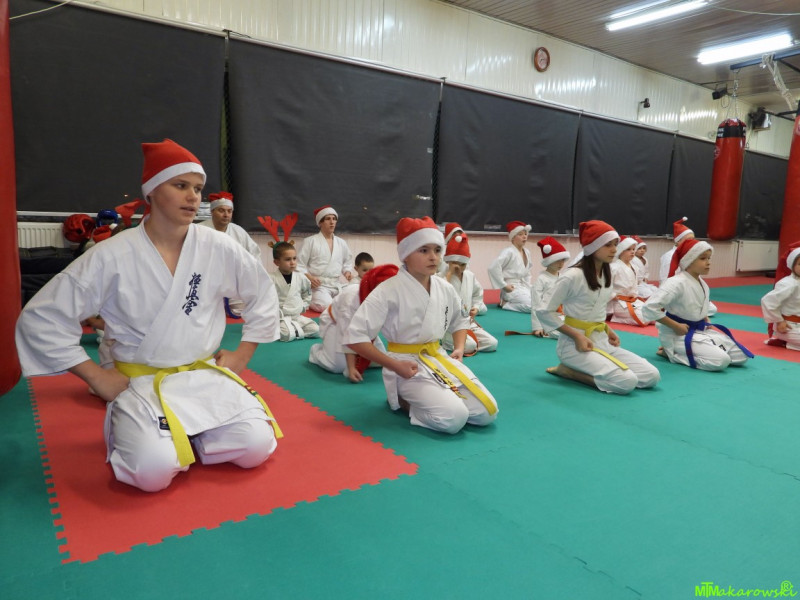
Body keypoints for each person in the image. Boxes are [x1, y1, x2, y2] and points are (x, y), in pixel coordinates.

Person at [15, 139, 282, 492]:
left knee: (255, 447)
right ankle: (162, 436)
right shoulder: (112, 254)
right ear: (152, 191)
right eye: (180, 185)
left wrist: (242, 354)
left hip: (202, 374)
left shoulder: (218, 247)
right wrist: (96, 377)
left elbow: (262, 293)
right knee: (150, 472)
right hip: (141, 382)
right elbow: (41, 317)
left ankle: (188, 437)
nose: (193, 197)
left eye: (198, 189)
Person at [345, 216, 498, 434]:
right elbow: (356, 336)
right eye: (424, 250)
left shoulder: (444, 288)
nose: (433, 257)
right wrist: (394, 365)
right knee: (454, 419)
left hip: (438, 358)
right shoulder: (388, 290)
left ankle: (434, 400)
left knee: (487, 413)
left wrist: (459, 348)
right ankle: (403, 400)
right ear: (405, 254)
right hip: (405, 365)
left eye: (437, 250)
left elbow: (460, 319)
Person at [536, 220, 661, 394]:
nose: (614, 249)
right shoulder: (572, 276)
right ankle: (570, 372)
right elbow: (544, 311)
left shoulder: (606, 273)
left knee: (651, 376)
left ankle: (589, 368)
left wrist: (609, 331)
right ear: (592, 247)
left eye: (615, 244)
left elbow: (596, 310)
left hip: (601, 340)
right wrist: (576, 337)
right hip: (574, 346)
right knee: (627, 382)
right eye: (608, 245)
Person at [643, 238, 753, 370]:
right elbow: (649, 307)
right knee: (721, 361)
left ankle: (697, 351)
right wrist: (676, 326)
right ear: (688, 261)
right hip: (677, 334)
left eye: (709, 258)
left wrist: (704, 318)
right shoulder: (675, 283)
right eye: (703, 258)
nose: (708, 262)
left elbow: (695, 306)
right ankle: (671, 353)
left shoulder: (702, 283)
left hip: (700, 330)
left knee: (742, 355)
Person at [309, 264, 396, 382]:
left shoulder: (389, 298)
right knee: (337, 366)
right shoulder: (352, 298)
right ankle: (317, 351)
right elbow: (346, 331)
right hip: (336, 323)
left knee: (380, 360)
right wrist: (351, 368)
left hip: (363, 328)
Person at [439, 231, 497, 354]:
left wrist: (476, 307)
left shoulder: (470, 276)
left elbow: (477, 294)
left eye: (463, 264)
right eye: (456, 264)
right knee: (470, 346)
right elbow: (439, 295)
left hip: (467, 322)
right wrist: (449, 274)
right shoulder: (441, 277)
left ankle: (465, 342)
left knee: (492, 343)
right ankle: (446, 340)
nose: (460, 268)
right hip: (448, 324)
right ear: (448, 261)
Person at [296, 205, 355, 312]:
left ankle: (336, 303)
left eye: (334, 219)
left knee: (355, 295)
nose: (332, 222)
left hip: (337, 285)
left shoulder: (341, 243)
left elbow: (347, 262)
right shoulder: (310, 241)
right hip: (318, 286)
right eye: (328, 219)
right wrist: (310, 278)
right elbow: (299, 266)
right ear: (320, 223)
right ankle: (309, 298)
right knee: (327, 305)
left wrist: (347, 272)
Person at [269, 242, 320, 342]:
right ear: (277, 262)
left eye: (294, 258)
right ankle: (287, 329)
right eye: (288, 259)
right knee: (287, 335)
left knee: (316, 330)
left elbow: (307, 293)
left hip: (296, 316)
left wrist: (303, 306)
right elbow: (266, 299)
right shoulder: (271, 278)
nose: (292, 262)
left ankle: (294, 330)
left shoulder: (301, 277)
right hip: (280, 317)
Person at [761, 241, 800, 350]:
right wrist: (779, 321)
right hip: (788, 326)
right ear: (792, 265)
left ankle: (787, 343)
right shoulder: (788, 283)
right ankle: (784, 341)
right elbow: (768, 301)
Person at [199, 191, 261, 259]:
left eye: (229, 211)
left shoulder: (239, 232)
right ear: (212, 211)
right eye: (221, 211)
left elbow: (255, 254)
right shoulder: (200, 230)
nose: (226, 215)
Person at [488, 221, 533, 313]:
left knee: (542, 301)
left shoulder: (527, 252)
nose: (524, 237)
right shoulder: (508, 252)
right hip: (511, 288)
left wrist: (528, 287)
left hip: (523, 286)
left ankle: (512, 301)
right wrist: (504, 285)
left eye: (525, 234)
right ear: (513, 237)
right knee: (533, 307)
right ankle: (505, 304)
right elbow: (493, 268)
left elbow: (527, 273)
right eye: (520, 234)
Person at [608, 236, 653, 327]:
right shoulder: (613, 267)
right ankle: (615, 317)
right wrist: (612, 295)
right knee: (644, 319)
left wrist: (635, 295)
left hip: (633, 301)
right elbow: (604, 287)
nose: (632, 252)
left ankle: (622, 316)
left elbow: (635, 287)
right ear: (621, 251)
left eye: (633, 249)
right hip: (618, 303)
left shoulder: (634, 267)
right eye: (628, 249)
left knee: (655, 315)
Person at [530, 236, 570, 337]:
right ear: (549, 261)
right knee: (565, 335)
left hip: (562, 316)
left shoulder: (563, 277)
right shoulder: (541, 279)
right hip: (547, 319)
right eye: (557, 260)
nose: (561, 264)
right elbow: (536, 304)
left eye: (563, 260)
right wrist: (537, 327)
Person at [659, 217, 694, 284]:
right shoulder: (669, 257)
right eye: (688, 239)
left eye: (693, 239)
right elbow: (665, 280)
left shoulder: (690, 254)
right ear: (678, 241)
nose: (692, 242)